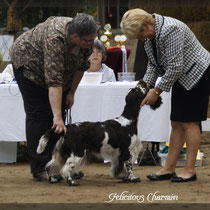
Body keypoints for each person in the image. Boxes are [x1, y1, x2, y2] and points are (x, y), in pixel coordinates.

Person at [121, 8, 210, 182]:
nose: (140, 39)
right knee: (176, 122)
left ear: (145, 25)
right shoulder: (150, 36)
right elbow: (153, 65)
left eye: (139, 35)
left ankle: (189, 170)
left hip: (198, 73)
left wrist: (156, 91)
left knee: (190, 122)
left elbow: (175, 66)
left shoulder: (171, 29)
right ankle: (168, 168)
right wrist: (145, 85)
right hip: (182, 77)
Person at [10, 13, 99, 181]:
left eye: (93, 39)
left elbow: (81, 67)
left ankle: (59, 166)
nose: (91, 44)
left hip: (58, 73)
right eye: (87, 41)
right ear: (74, 36)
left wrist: (71, 92)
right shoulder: (55, 39)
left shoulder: (87, 40)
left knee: (59, 116)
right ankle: (41, 167)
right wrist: (57, 117)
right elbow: (54, 82)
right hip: (29, 67)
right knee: (40, 114)